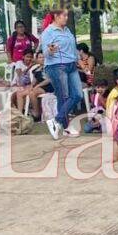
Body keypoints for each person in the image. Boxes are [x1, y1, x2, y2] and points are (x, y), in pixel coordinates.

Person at [41, 8, 82, 139]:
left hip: (71, 65)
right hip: (57, 66)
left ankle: (56, 120)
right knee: (63, 97)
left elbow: (73, 47)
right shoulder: (48, 32)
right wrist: (51, 50)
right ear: (56, 16)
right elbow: (45, 53)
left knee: (77, 95)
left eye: (67, 15)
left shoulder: (67, 30)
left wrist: (78, 60)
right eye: (64, 15)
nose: (66, 18)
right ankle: (66, 128)